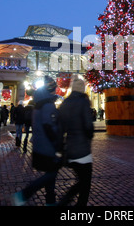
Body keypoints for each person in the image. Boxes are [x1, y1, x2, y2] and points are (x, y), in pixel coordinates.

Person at [11, 76, 62, 206]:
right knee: (51, 173)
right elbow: (49, 126)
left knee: (51, 173)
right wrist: (57, 144)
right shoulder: (48, 105)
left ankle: (50, 201)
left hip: (40, 145)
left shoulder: (38, 104)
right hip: (47, 146)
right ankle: (25, 193)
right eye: (54, 88)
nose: (56, 91)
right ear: (50, 89)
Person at [57, 76, 94, 206]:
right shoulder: (83, 102)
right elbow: (88, 126)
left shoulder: (65, 103)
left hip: (70, 149)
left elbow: (60, 128)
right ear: (82, 89)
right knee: (85, 182)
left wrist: (61, 147)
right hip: (83, 149)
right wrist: (89, 135)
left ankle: (65, 200)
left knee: (81, 180)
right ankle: (74, 204)